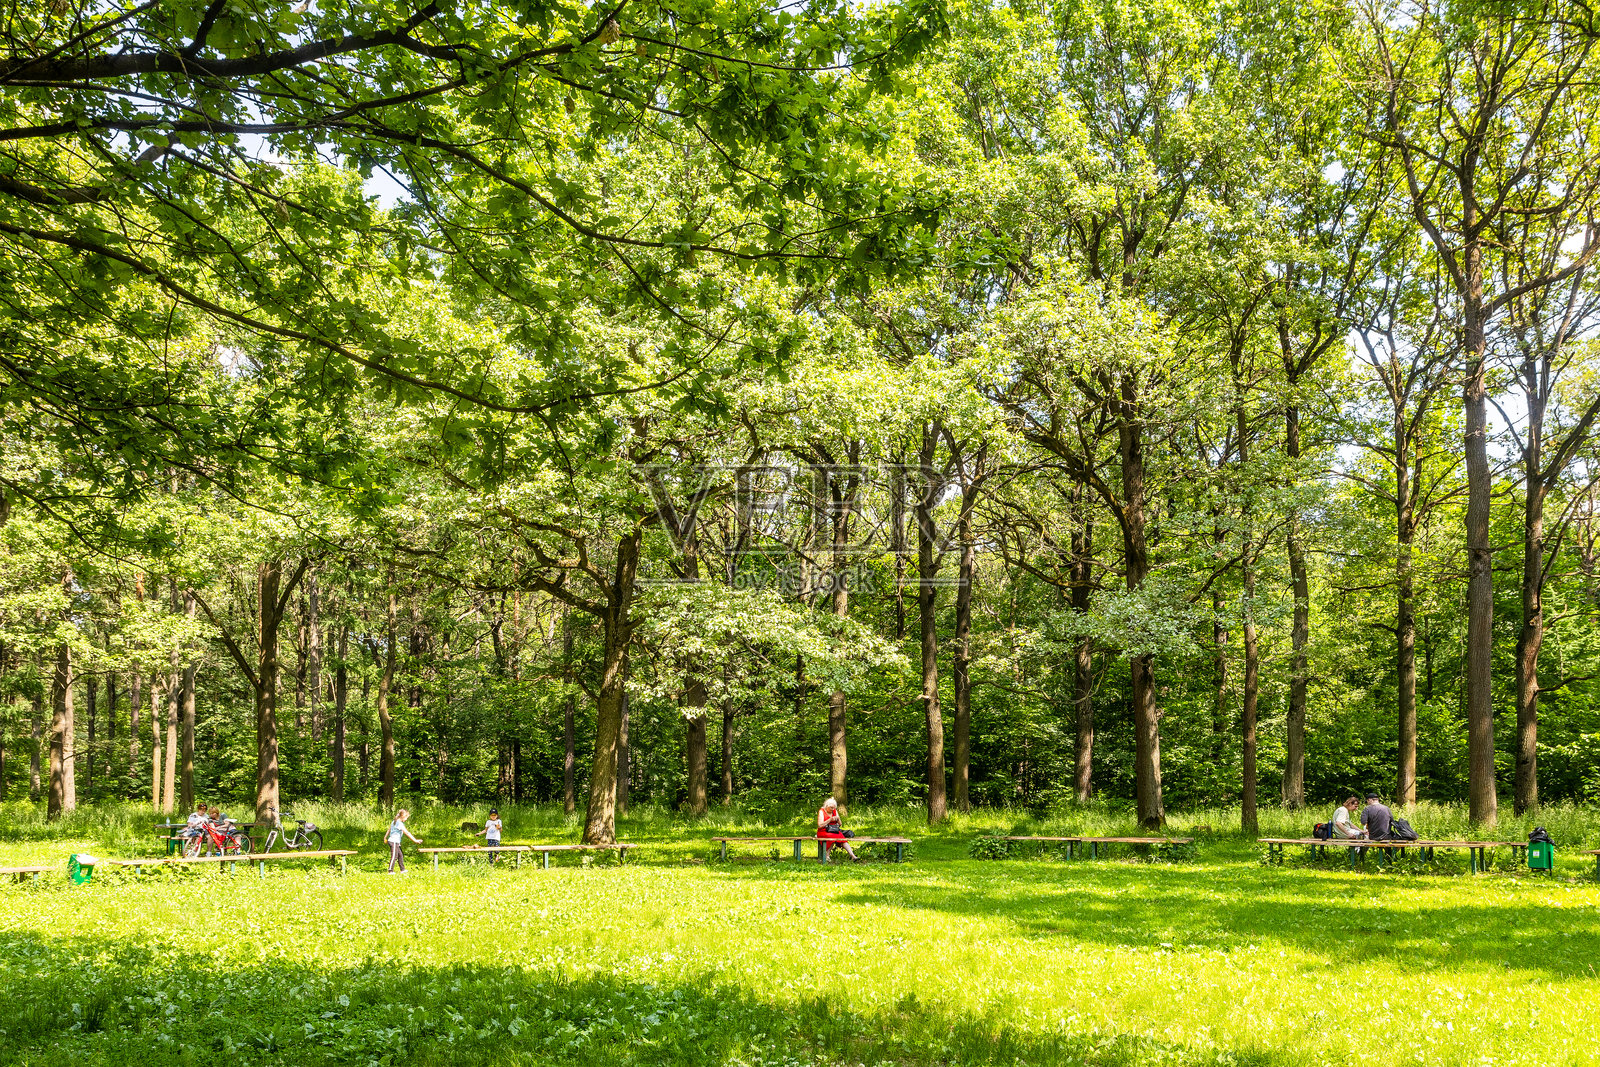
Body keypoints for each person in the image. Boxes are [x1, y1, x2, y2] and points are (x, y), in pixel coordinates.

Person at [816, 796, 858, 862]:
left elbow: (840, 824)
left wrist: (837, 819)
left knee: (842, 838)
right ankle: (827, 856)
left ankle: (853, 856)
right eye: (831, 808)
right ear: (826, 806)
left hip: (834, 830)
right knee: (832, 837)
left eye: (834, 808)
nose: (832, 809)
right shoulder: (821, 811)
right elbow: (820, 825)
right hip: (823, 831)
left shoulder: (834, 811)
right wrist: (829, 820)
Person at [386, 809, 422, 873]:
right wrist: (415, 840)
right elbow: (407, 833)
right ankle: (390, 870)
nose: (406, 819)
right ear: (403, 816)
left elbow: (389, 829)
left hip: (395, 841)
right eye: (406, 818)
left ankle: (402, 869)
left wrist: (385, 837)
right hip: (393, 841)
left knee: (400, 855)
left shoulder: (394, 821)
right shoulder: (399, 823)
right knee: (394, 856)